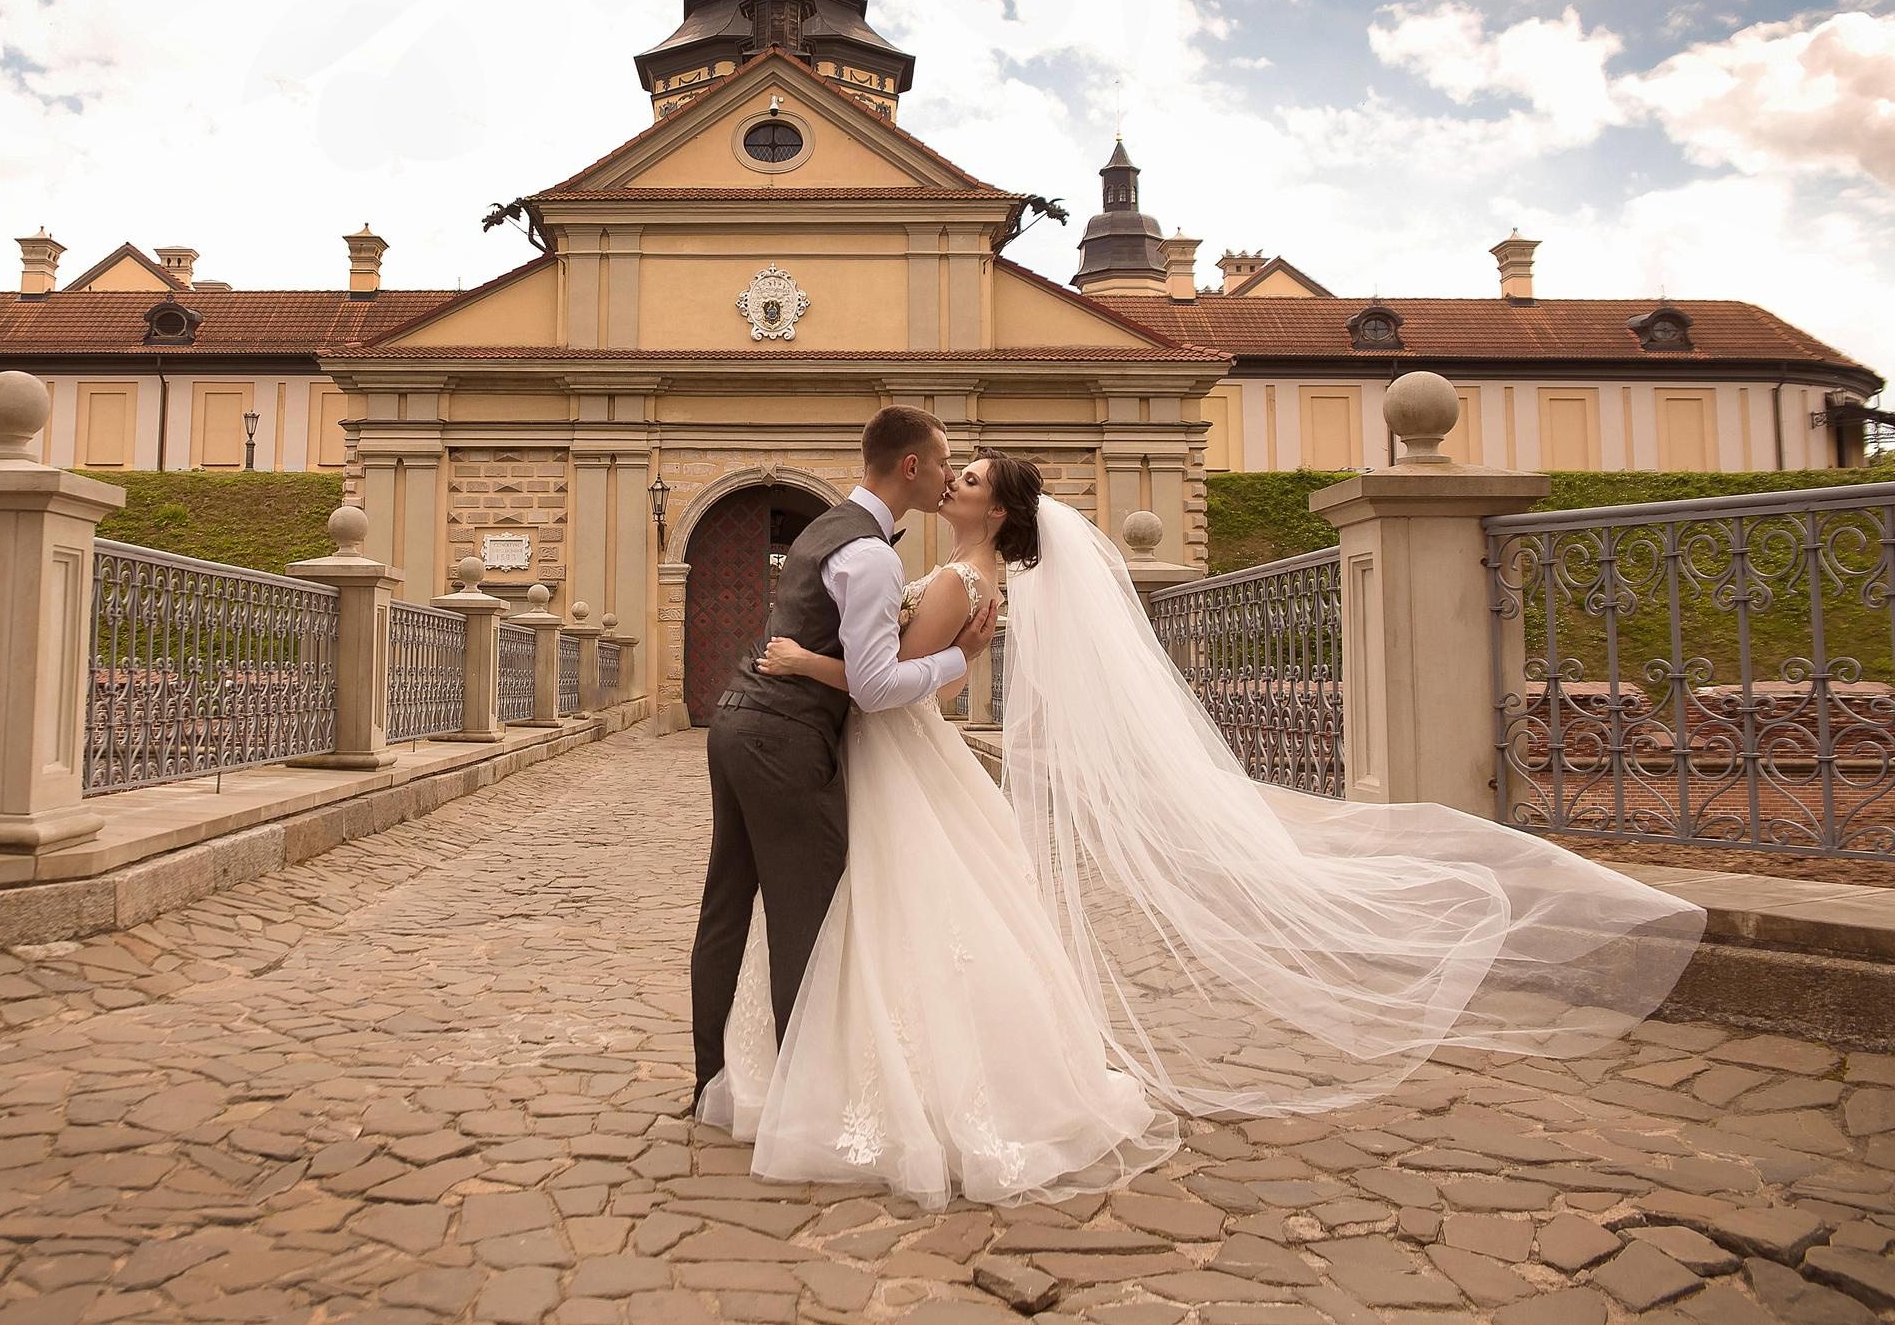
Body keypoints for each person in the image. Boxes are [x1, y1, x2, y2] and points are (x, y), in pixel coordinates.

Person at [704, 453, 1705, 1209]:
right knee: (919, 918)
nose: (953, 478)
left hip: (897, 760)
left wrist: (803, 662)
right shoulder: (966, 577)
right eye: (953, 469)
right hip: (904, 763)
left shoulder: (963, 580)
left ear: (997, 510)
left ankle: (896, 1086)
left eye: (968, 477)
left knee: (899, 915)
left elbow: (890, 691)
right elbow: (939, 679)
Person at [687, 406, 995, 1119]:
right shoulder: (873, 556)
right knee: (808, 921)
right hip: (785, 741)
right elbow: (877, 685)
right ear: (911, 467)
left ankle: (710, 1083)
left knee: (725, 908)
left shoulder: (825, 528)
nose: (948, 476)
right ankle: (803, 1105)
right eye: (943, 463)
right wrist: (961, 657)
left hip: (734, 724)